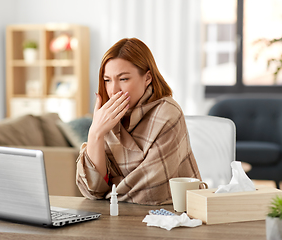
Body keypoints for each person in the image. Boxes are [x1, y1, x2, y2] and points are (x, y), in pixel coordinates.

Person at [76, 38, 201, 205]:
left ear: (147, 78)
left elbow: (152, 190)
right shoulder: (107, 117)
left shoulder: (168, 114)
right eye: (107, 80)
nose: (114, 91)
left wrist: (112, 189)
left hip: (171, 218)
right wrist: (95, 133)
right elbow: (93, 190)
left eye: (124, 79)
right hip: (117, 216)